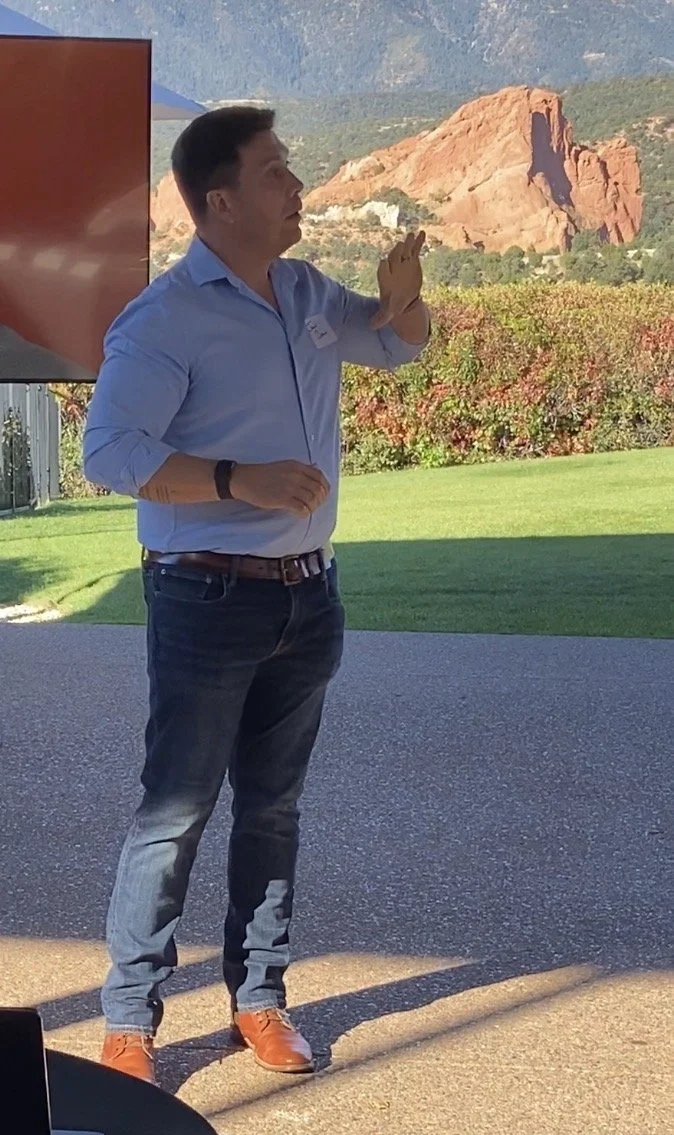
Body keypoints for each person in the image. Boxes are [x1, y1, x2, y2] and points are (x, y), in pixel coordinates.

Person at [83, 106, 429, 1086]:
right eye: (275, 171)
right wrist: (239, 479)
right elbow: (110, 452)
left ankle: (259, 998)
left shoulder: (305, 290)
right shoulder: (163, 318)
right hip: (203, 598)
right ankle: (128, 1022)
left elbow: (398, 346)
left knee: (272, 809)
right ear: (221, 200)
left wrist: (404, 300)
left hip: (307, 598)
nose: (296, 186)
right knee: (174, 813)